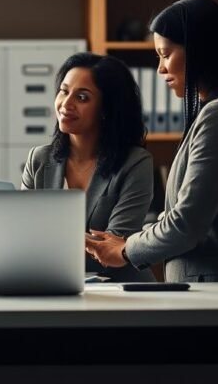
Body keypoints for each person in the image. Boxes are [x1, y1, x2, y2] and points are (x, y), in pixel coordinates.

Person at [85, 0, 218, 282]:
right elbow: (187, 216)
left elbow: (186, 225)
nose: (160, 69)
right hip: (216, 297)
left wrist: (125, 250)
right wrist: (133, 238)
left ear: (199, 52)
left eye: (166, 54)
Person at [21, 52, 155, 282]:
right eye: (64, 91)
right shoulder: (39, 159)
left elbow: (112, 249)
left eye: (82, 98)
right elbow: (23, 237)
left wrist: (45, 239)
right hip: (55, 285)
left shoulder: (135, 163)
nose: (66, 104)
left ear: (106, 109)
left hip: (121, 291)